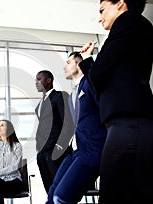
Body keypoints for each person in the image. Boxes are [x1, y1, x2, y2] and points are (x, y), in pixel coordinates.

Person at [78, 0, 153, 203]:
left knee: (114, 192)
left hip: (129, 124)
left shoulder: (127, 23)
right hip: (132, 123)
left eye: (102, 10)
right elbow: (100, 79)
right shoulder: (136, 27)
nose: (100, 17)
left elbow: (98, 74)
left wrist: (88, 62)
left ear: (120, 3)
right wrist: (88, 62)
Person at [46, 52, 107, 204]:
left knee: (61, 197)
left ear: (79, 64)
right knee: (52, 194)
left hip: (92, 151)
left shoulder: (89, 83)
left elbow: (105, 109)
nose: (64, 66)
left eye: (68, 62)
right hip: (75, 152)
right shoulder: (74, 92)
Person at [35, 70, 74, 193]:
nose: (36, 82)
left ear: (48, 80)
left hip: (55, 151)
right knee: (50, 190)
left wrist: (59, 146)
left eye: (39, 79)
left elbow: (68, 123)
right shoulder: (40, 104)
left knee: (61, 191)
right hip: (42, 153)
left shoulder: (60, 96)